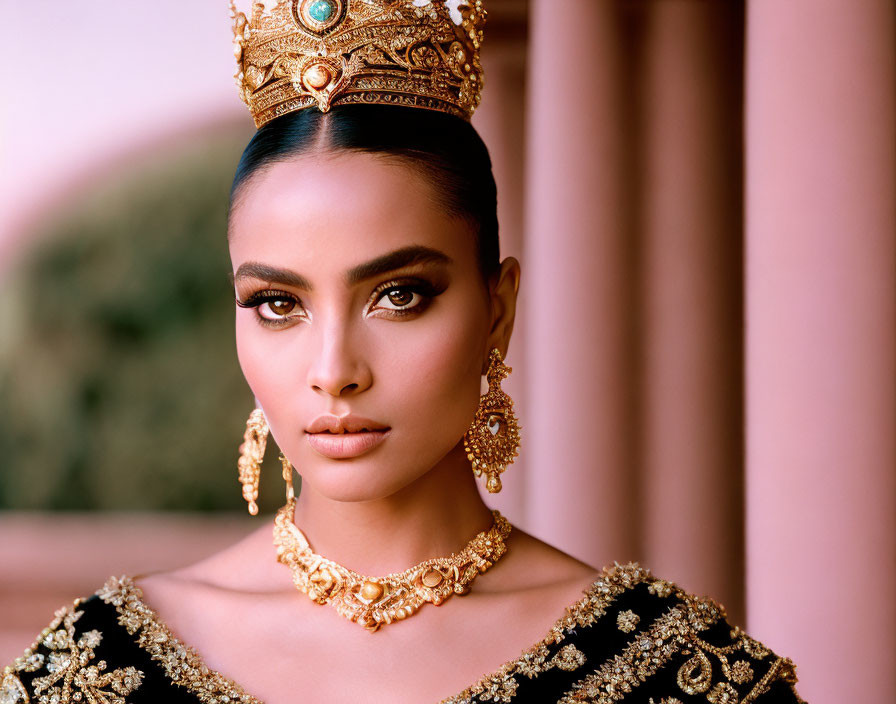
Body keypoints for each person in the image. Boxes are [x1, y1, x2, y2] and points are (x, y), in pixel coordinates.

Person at [1, 2, 805, 702]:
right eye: (278, 305)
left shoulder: (676, 672)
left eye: (399, 295)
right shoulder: (95, 670)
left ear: (499, 308)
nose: (334, 369)